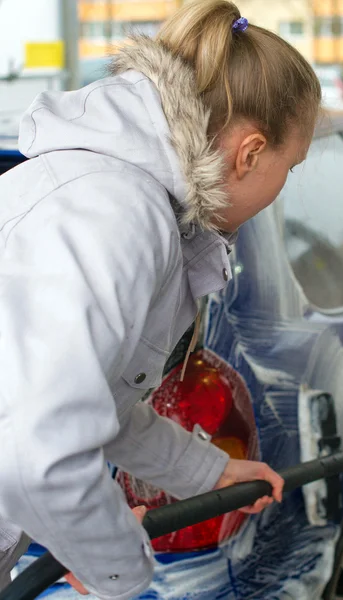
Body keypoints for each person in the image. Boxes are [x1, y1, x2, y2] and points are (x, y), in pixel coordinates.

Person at [0, 0, 321, 597]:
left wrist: (208, 471)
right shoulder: (114, 213)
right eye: (291, 165)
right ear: (250, 153)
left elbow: (95, 401)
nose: (283, 184)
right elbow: (38, 456)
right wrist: (121, 572)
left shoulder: (128, 203)